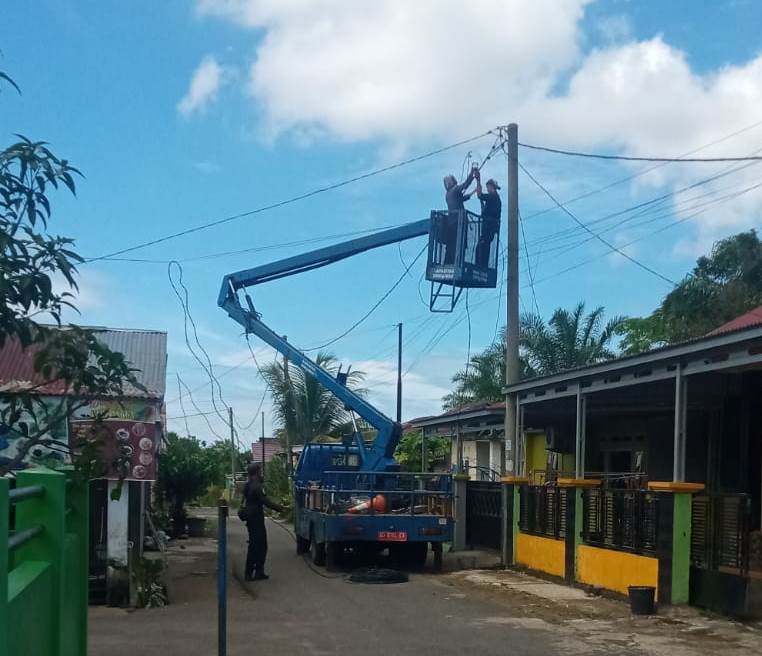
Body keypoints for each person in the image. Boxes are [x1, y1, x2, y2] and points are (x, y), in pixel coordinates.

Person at [241, 462, 286, 581]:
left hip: (250, 519)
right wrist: (280, 508)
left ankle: (255, 572)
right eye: (260, 471)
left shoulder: (247, 485)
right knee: (259, 546)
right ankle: (252, 573)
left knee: (255, 546)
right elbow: (265, 501)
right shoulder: (257, 486)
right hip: (256, 519)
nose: (261, 473)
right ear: (257, 472)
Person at [441, 167, 476, 264]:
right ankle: (458, 262)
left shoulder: (448, 194)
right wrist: (472, 174)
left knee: (452, 245)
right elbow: (465, 185)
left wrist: (472, 193)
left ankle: (448, 263)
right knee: (460, 244)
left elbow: (459, 200)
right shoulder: (455, 189)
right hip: (459, 222)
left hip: (452, 223)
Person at [475, 173, 501, 268]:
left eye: (488, 187)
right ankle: (482, 266)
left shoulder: (492, 196)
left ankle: (480, 266)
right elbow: (487, 210)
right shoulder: (495, 199)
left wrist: (478, 180)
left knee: (481, 248)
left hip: (488, 228)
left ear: (491, 187)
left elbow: (479, 195)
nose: (487, 189)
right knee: (484, 247)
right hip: (491, 229)